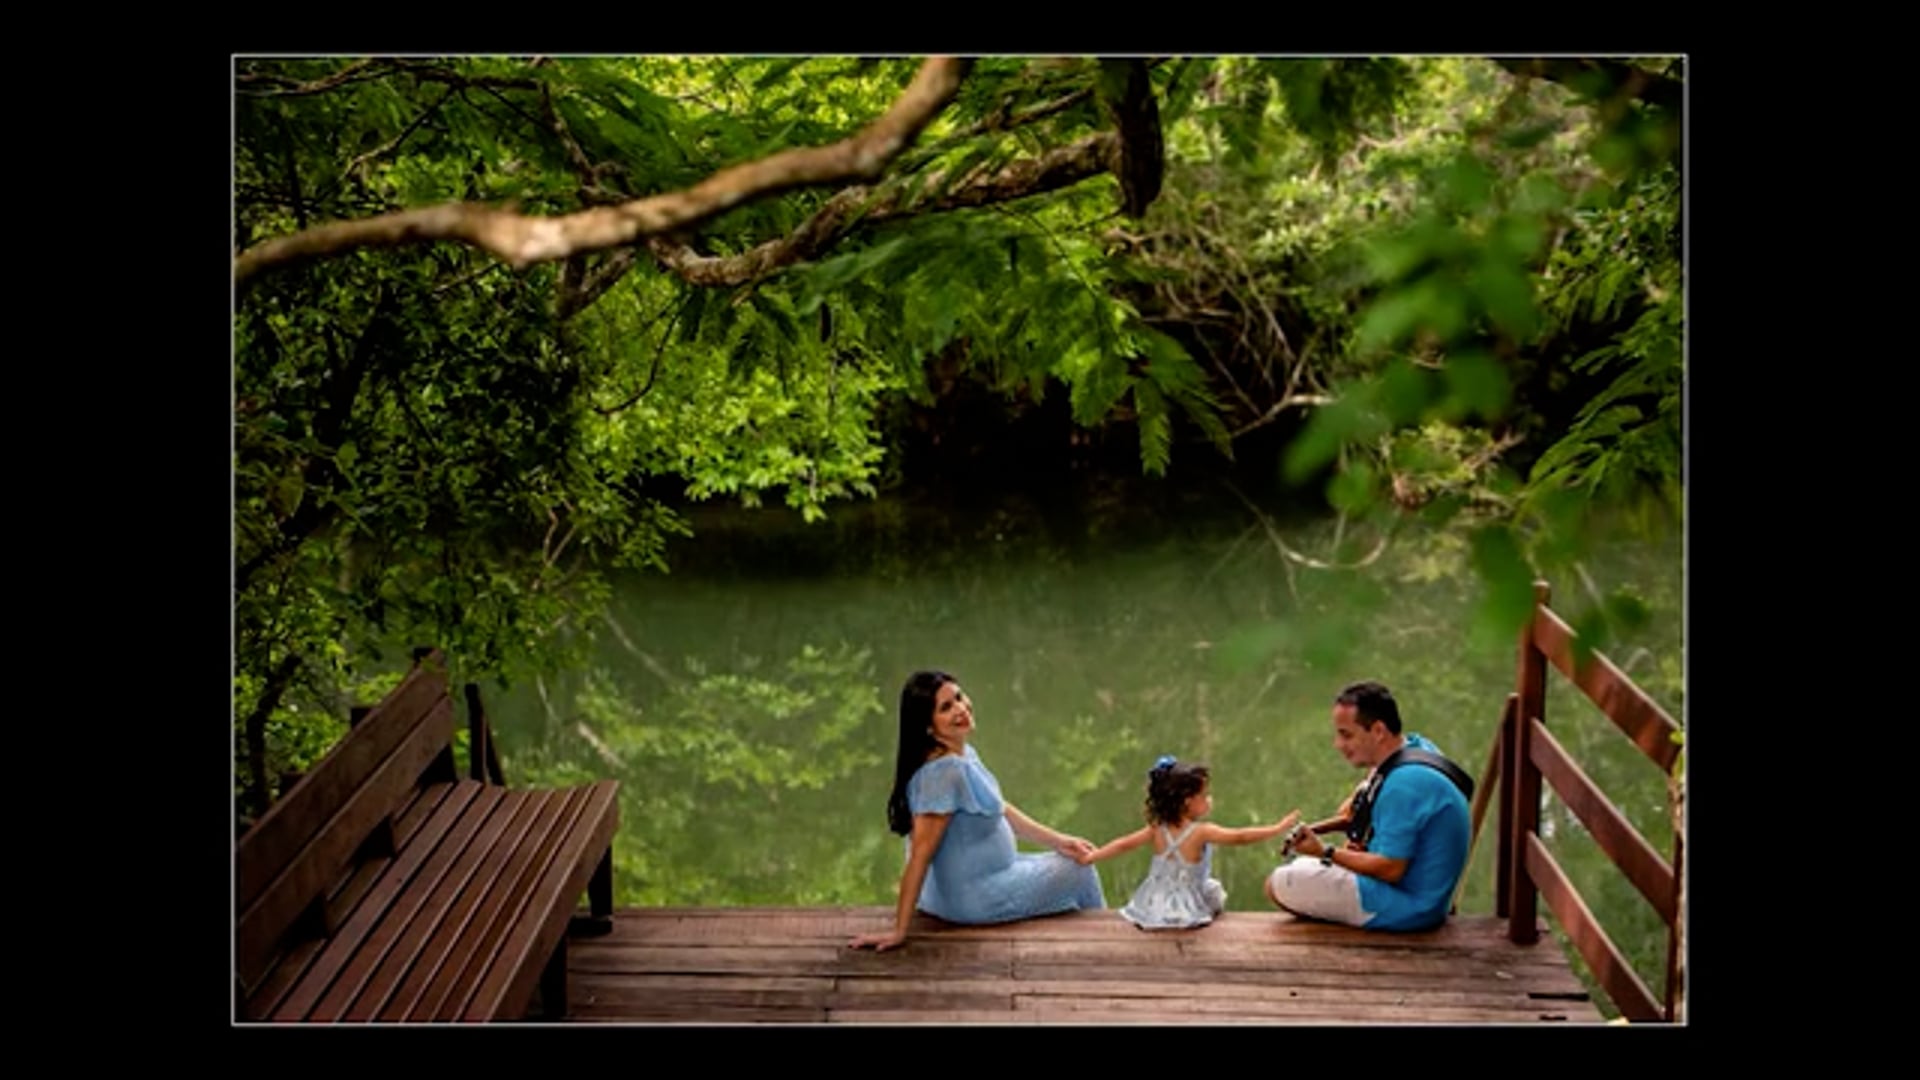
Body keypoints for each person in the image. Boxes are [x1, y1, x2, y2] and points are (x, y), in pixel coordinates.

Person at [848, 670, 1106, 951]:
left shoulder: (960, 753)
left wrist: (1060, 840)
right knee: (1081, 871)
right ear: (928, 726)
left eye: (958, 697)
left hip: (980, 878)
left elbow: (1000, 809)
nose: (961, 709)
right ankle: (1107, 944)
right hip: (975, 897)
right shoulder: (945, 773)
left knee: (1070, 855)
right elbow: (921, 854)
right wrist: (899, 931)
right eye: (946, 708)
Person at [1265, 680, 1471, 932]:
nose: (1338, 745)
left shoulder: (1403, 785)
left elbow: (1390, 869)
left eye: (1346, 734)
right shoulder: (1414, 748)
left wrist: (1325, 852)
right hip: (1421, 892)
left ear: (1378, 731)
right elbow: (1359, 813)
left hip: (1412, 907)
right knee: (1298, 869)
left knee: (1277, 884)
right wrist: (1315, 832)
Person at [1082, 754, 1303, 930]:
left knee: (1209, 888)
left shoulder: (1157, 828)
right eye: (1205, 795)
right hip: (1186, 903)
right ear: (1188, 802)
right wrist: (1277, 828)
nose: (1209, 800)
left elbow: (1124, 844)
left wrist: (1093, 856)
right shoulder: (1201, 832)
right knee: (1214, 892)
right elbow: (1240, 837)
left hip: (1153, 901)